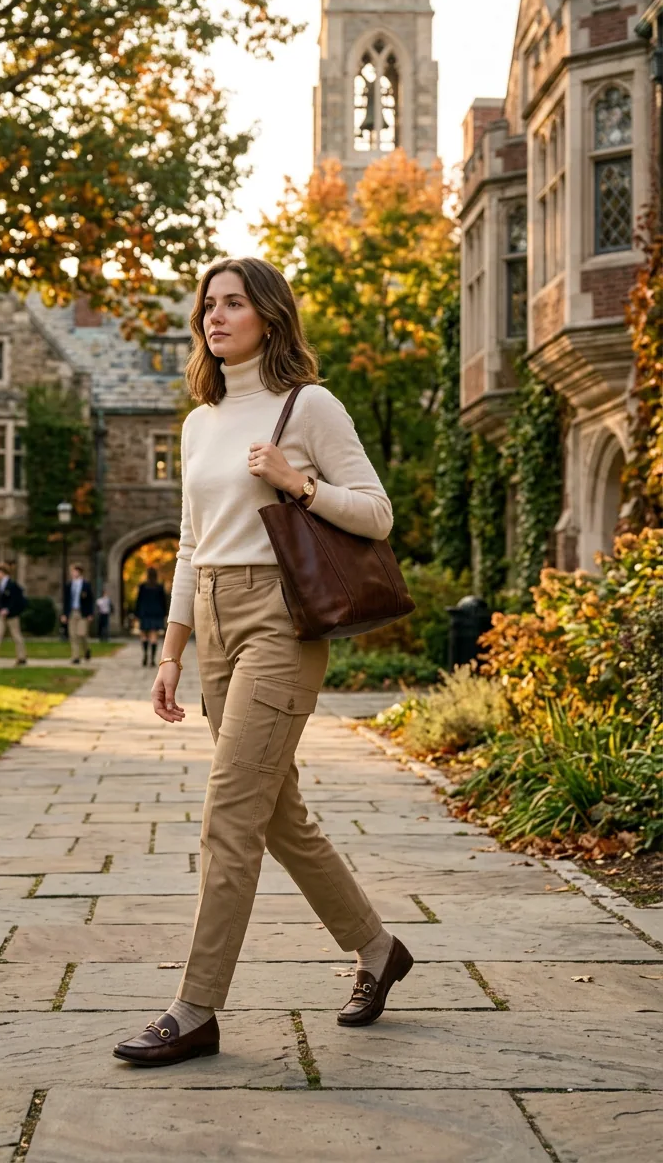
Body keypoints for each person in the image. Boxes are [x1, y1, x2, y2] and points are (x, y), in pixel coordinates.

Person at [113, 257, 412, 1069]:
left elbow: (378, 515)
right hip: (212, 615)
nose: (215, 316)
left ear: (270, 316)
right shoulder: (199, 420)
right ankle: (379, 950)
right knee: (279, 816)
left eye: (233, 303)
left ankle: (195, 1007)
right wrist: (170, 652)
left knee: (229, 817)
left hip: (282, 620)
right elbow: (190, 544)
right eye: (207, 304)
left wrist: (298, 486)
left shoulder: (307, 406)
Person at [0, 562, 27, 665]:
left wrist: (9, 609)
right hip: (1, 615)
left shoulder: (12, 585)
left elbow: (16, 600)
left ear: (3, 572)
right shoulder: (0, 586)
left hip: (12, 615)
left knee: (16, 636)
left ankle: (22, 657)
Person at [134, 567, 167, 667]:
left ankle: (145, 655)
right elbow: (164, 602)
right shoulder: (159, 587)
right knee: (153, 636)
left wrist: (137, 614)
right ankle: (152, 659)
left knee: (144, 635)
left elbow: (138, 601)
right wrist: (164, 613)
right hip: (156, 614)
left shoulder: (143, 586)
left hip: (144, 613)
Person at [61, 562, 94, 664]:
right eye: (72, 571)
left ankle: (86, 649)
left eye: (74, 571)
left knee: (82, 634)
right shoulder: (69, 585)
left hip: (82, 613)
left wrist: (90, 614)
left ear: (79, 572)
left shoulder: (86, 585)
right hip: (72, 611)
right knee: (73, 635)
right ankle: (75, 657)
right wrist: (64, 614)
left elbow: (90, 600)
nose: (73, 573)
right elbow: (66, 600)